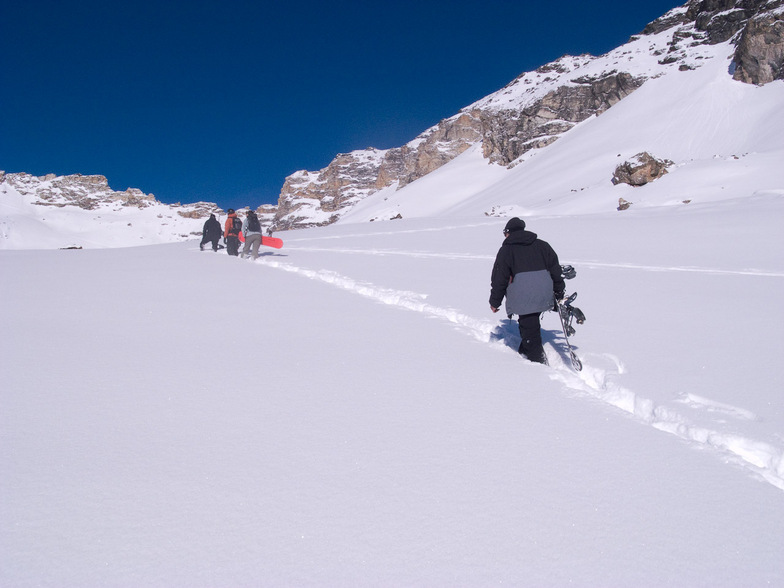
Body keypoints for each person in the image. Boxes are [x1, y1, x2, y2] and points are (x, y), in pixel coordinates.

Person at [489, 217, 565, 364]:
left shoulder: (506, 250)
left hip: (523, 295)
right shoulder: (543, 246)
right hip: (544, 292)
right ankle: (525, 349)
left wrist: (495, 302)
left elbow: (499, 278)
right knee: (531, 323)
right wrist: (559, 291)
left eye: (505, 233)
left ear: (508, 233)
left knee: (529, 325)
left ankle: (537, 363)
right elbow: (556, 270)